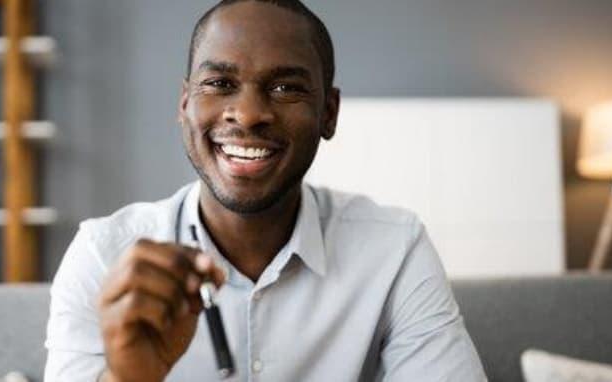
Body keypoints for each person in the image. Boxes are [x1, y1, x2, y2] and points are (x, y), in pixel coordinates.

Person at [44, 1, 487, 381]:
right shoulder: (103, 254)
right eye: (219, 84)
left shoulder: (394, 250)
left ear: (329, 114)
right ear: (185, 105)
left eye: (285, 88)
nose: (250, 113)